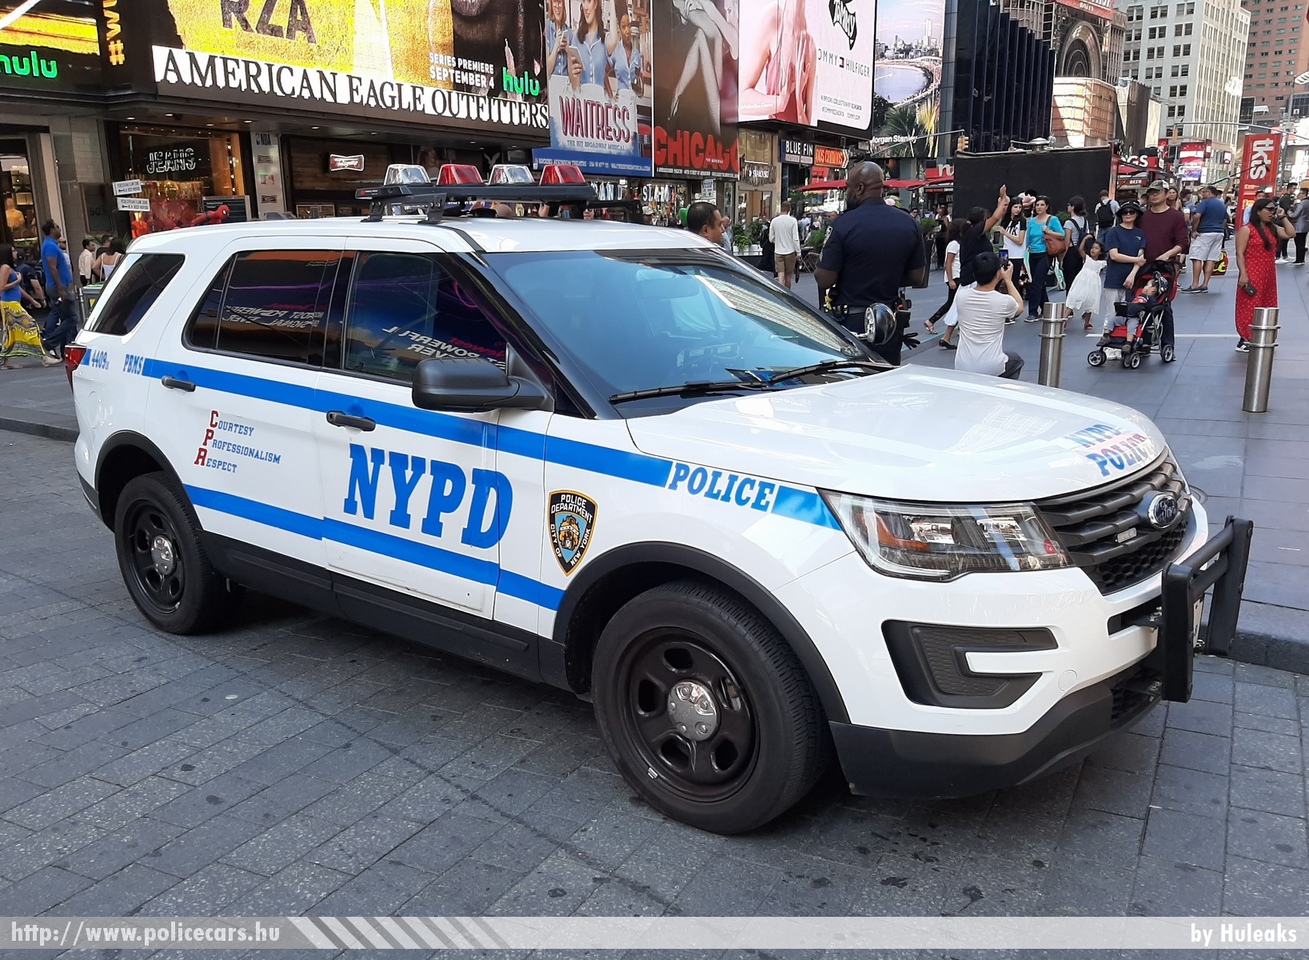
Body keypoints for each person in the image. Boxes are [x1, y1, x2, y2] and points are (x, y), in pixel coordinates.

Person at [814, 161, 927, 366]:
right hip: (890, 322)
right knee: (887, 377)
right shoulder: (908, 222)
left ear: (859, 188)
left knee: (851, 378)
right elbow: (917, 276)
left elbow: (824, 278)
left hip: (851, 323)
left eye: (848, 187)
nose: (846, 192)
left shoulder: (843, 224)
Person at [1234, 197, 1294, 352]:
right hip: (1252, 271)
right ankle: (1245, 337)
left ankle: (1261, 334)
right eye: (1269, 209)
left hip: (1268, 272)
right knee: (1249, 304)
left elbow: (1291, 234)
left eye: (1273, 209)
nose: (1272, 212)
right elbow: (1239, 253)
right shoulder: (1247, 229)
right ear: (1258, 211)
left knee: (1267, 303)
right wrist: (1243, 274)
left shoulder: (1272, 228)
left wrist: (1283, 216)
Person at [952, 251, 1025, 379]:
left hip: (962, 365)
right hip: (991, 366)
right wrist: (1008, 280)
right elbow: (1020, 307)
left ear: (974, 273)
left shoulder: (961, 296)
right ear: (998, 274)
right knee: (1016, 360)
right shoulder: (1003, 301)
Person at [1139, 180, 1187, 358]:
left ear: (1167, 194)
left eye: (1158, 192)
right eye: (1151, 192)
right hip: (1145, 266)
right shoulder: (1143, 216)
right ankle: (1142, 340)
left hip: (1166, 266)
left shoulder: (1175, 216)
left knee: (1164, 304)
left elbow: (1183, 242)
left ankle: (1168, 345)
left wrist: (1168, 254)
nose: (1154, 195)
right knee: (1141, 301)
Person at [0, 243, 52, 368]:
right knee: (30, 325)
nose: (16, 253)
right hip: (9, 303)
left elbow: (17, 289)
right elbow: (2, 287)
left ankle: (5, 361)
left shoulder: (10, 268)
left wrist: (32, 300)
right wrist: (17, 280)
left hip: (12, 302)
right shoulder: (5, 268)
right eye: (13, 251)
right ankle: (44, 357)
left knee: (10, 331)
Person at [1100, 200, 1147, 328]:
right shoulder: (1113, 232)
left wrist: (1132, 274)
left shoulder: (1140, 233)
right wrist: (1136, 260)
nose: (1127, 214)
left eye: (1131, 212)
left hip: (1132, 279)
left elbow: (1141, 256)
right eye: (1124, 212)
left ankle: (1123, 341)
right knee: (1112, 313)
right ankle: (1107, 338)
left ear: (1136, 214)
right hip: (1114, 278)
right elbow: (1114, 255)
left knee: (1129, 314)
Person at [957, 186, 1010, 287]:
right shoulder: (974, 231)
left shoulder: (971, 231)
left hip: (976, 276)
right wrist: (1003, 199)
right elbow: (995, 217)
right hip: (973, 278)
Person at [40, 219, 77, 361]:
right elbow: (52, 267)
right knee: (72, 318)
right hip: (58, 287)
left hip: (59, 286)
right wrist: (61, 287)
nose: (59, 230)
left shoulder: (51, 245)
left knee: (63, 316)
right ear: (51, 230)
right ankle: (49, 343)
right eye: (57, 227)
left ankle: (63, 349)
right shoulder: (50, 246)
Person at [1024, 195, 1064, 321]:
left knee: (1036, 282)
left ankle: (1033, 311)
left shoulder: (1052, 219)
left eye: (1042, 205)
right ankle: (1046, 308)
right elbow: (1028, 238)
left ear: (1047, 206)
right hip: (1032, 253)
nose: (1039, 207)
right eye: (1037, 205)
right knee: (1039, 282)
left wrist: (1048, 231)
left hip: (1045, 254)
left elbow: (1062, 235)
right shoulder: (1032, 221)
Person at [1185, 185, 1229, 292]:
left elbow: (1196, 216)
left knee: (1197, 257)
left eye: (1204, 192)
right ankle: (1205, 284)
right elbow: (1225, 219)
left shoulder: (1205, 202)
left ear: (1209, 193)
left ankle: (1195, 284)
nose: (1202, 195)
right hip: (1218, 232)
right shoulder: (1221, 204)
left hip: (1205, 232)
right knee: (1211, 259)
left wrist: (1194, 230)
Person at [926, 219, 965, 337]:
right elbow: (948, 263)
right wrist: (951, 279)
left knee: (955, 303)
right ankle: (931, 320)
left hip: (957, 276)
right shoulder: (954, 244)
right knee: (952, 303)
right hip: (955, 276)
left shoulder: (958, 243)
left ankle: (957, 326)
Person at [1065, 236, 1106, 331]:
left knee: (1090, 301)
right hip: (1082, 281)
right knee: (1074, 297)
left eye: (1096, 248)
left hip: (1093, 283)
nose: (1093, 250)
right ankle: (1064, 318)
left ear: (1100, 252)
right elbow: (1080, 249)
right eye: (1092, 247)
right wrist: (1084, 239)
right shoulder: (1086, 258)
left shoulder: (1101, 263)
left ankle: (1087, 322)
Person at [994, 199, 1030, 299]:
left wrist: (1005, 233)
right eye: (1015, 207)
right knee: (999, 279)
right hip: (1005, 253)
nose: (1017, 210)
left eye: (1019, 207)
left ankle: (1015, 304)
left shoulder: (1022, 221)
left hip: (1017, 255)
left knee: (1013, 281)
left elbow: (1020, 240)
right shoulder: (1006, 220)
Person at [769, 201, 801, 289]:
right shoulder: (793, 221)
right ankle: (787, 294)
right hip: (790, 252)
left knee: (780, 275)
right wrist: (798, 253)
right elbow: (795, 238)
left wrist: (778, 241)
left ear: (781, 209)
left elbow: (771, 238)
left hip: (778, 251)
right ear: (789, 210)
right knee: (788, 276)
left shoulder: (774, 221)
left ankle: (780, 292)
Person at [1062, 196, 1090, 292]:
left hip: (1071, 252)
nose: (1067, 207)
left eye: (1069, 205)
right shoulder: (1085, 221)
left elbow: (1066, 242)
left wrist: (1061, 259)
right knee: (1079, 281)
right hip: (1082, 252)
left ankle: (1070, 304)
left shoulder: (1069, 222)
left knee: (1070, 282)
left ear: (1072, 207)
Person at [1275, 182, 1296, 260]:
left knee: (1285, 239)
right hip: (1283, 220)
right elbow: (1287, 209)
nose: (1294, 190)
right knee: (1282, 239)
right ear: (1289, 188)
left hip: (1283, 219)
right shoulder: (1286, 198)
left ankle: (1284, 255)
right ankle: (1278, 256)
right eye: (1293, 188)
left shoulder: (1286, 197)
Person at [1290, 187, 1309, 265]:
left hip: (1299, 225)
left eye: (1300, 193)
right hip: (1306, 224)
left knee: (1298, 242)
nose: (1298, 195)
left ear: (1303, 194)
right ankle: (1301, 259)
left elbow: (1295, 215)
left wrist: (1289, 213)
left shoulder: (1302, 203)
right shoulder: (1308, 202)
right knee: (1302, 242)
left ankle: (1299, 259)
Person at [933, 204, 952, 269]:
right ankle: (939, 262)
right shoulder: (937, 216)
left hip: (944, 235)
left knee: (944, 249)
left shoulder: (947, 217)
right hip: (938, 235)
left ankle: (943, 262)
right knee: (939, 249)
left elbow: (948, 227)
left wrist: (945, 221)